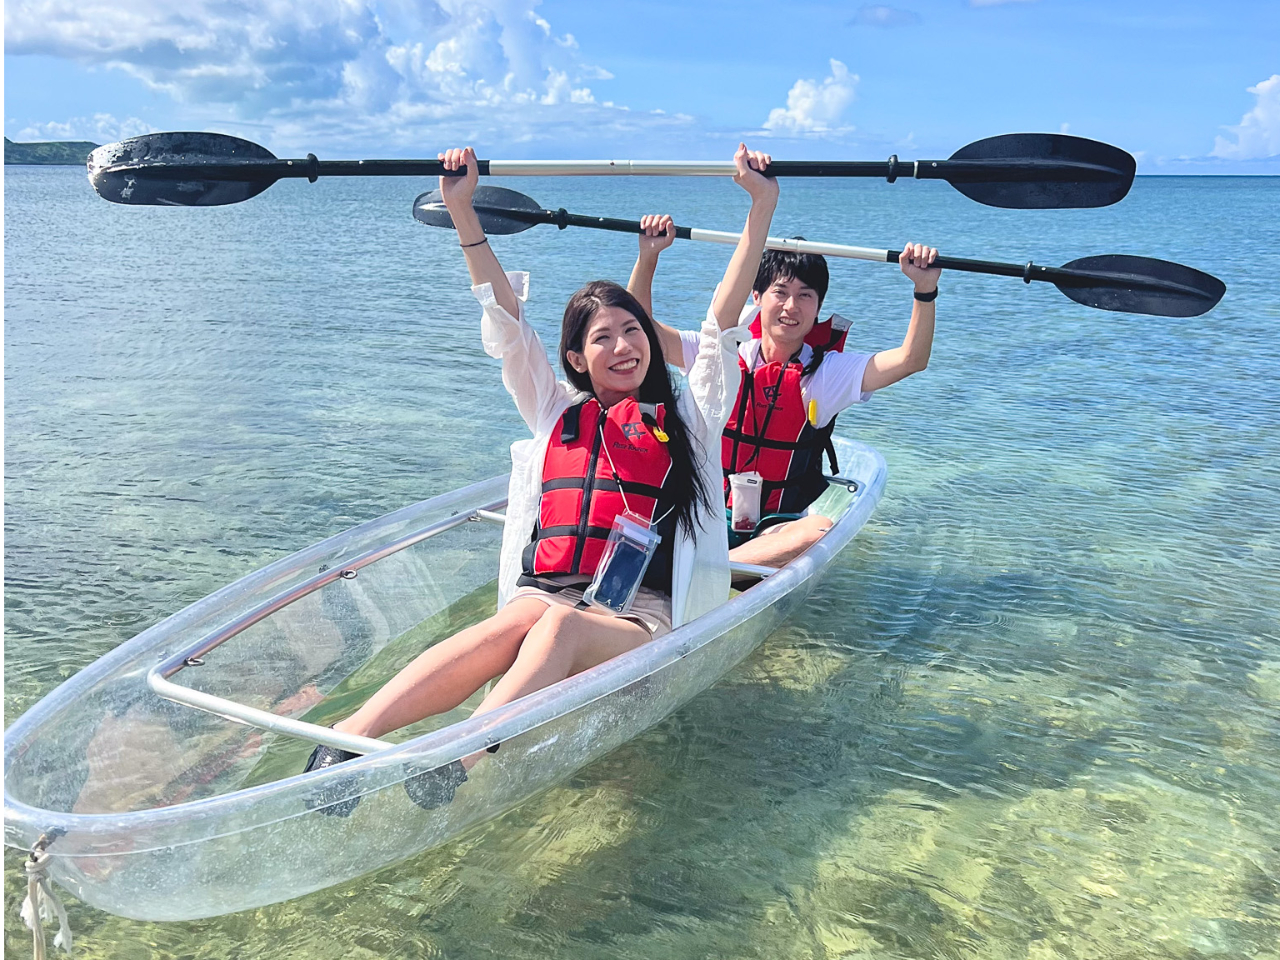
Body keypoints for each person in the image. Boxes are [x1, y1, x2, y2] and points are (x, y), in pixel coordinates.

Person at [301, 144, 779, 816]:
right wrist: (463, 209)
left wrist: (761, 208)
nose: (623, 346)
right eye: (602, 338)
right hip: (549, 591)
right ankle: (349, 738)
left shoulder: (689, 421)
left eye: (631, 331)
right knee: (521, 619)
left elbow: (722, 321)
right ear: (577, 359)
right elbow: (504, 317)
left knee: (555, 629)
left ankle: (458, 754)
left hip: (636, 619)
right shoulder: (556, 411)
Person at [629, 214, 941, 569]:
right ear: (757, 296)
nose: (791, 307)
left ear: (818, 307)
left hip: (773, 530)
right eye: (781, 292)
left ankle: (711, 569)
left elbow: (911, 359)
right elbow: (642, 331)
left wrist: (924, 289)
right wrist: (648, 256)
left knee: (817, 531)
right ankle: (715, 565)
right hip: (706, 513)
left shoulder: (826, 373)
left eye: (805, 296)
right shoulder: (719, 353)